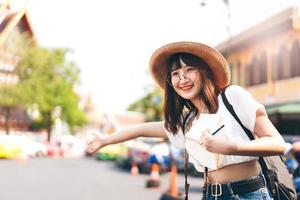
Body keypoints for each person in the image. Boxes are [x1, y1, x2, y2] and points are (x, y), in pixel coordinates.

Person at [86, 41, 288, 199]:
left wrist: (231, 147)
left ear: (204, 71)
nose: (182, 78)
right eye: (175, 73)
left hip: (249, 194)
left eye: (189, 69)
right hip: (211, 195)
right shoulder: (190, 121)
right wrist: (105, 140)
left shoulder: (233, 97)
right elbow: (141, 129)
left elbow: (277, 143)